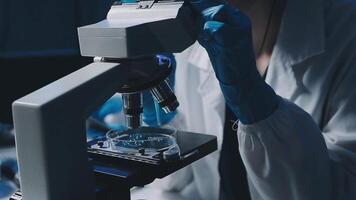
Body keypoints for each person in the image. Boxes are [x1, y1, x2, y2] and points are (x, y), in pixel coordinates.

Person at [161, 0, 356, 199]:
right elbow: (177, 180)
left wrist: (258, 107)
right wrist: (160, 125)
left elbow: (341, 190)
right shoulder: (192, 31)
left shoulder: (347, 33)